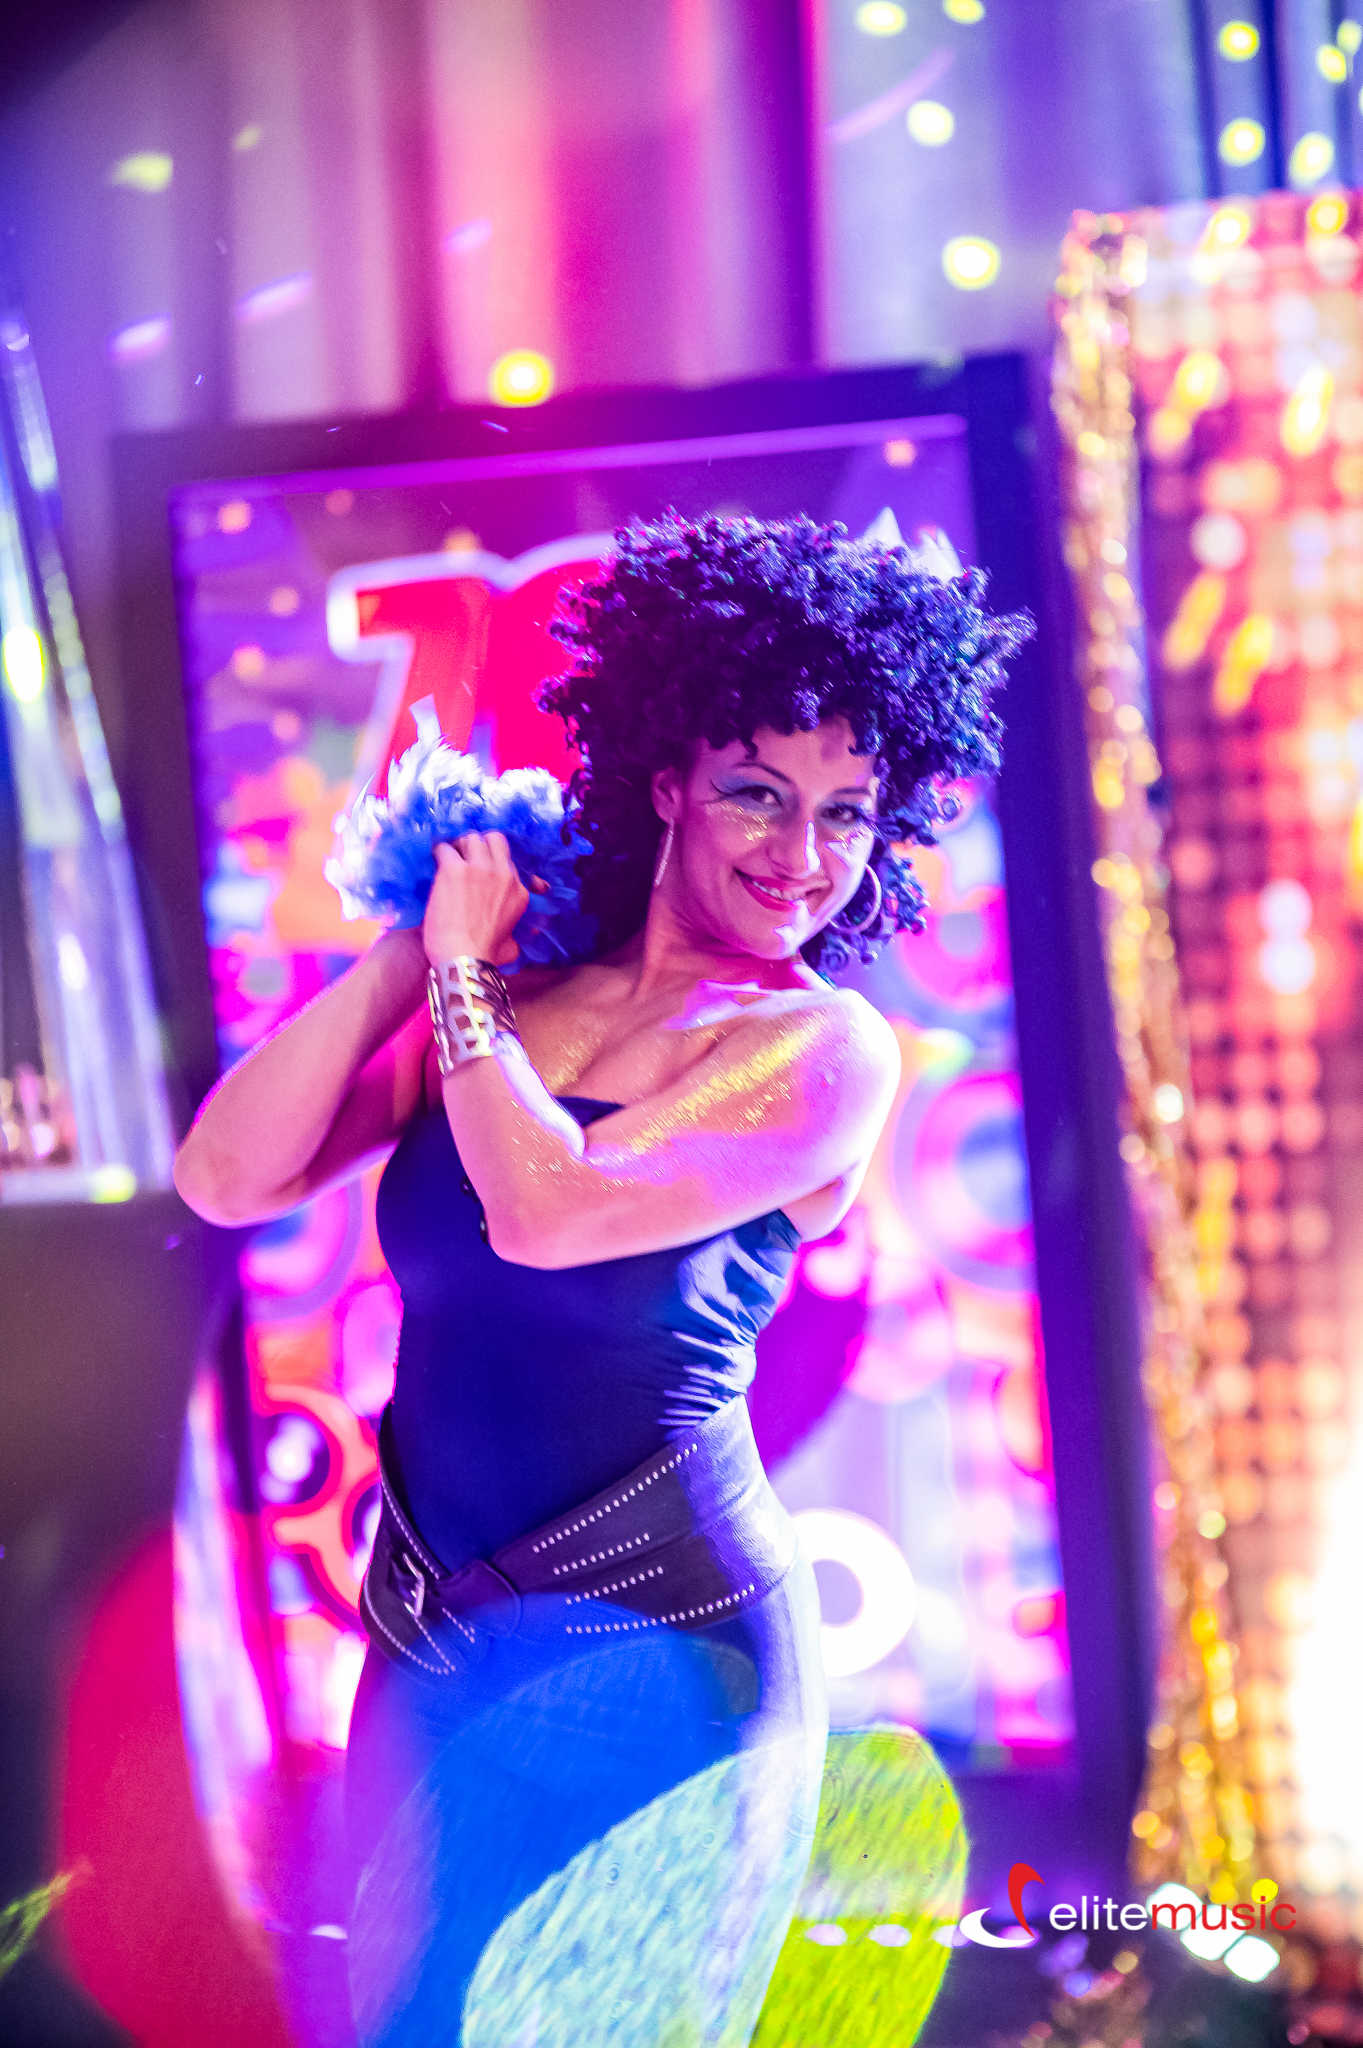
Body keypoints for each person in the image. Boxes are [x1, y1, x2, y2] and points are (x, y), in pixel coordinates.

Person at [174, 512, 1029, 2045]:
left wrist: (458, 982)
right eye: (759, 794)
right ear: (667, 781)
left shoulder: (822, 1047)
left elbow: (549, 1209)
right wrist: (407, 947)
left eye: (847, 814)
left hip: (664, 1662)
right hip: (429, 1639)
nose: (803, 855)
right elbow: (226, 1178)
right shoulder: (513, 1003)